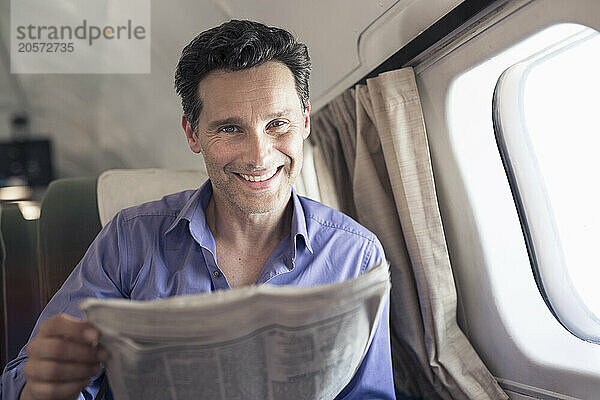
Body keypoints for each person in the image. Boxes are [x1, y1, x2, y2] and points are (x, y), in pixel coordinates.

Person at [1, 20, 395, 399]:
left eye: (278, 124)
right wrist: (43, 386)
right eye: (229, 128)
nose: (259, 156)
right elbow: (25, 379)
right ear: (193, 133)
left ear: (306, 120)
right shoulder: (128, 239)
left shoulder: (357, 257)